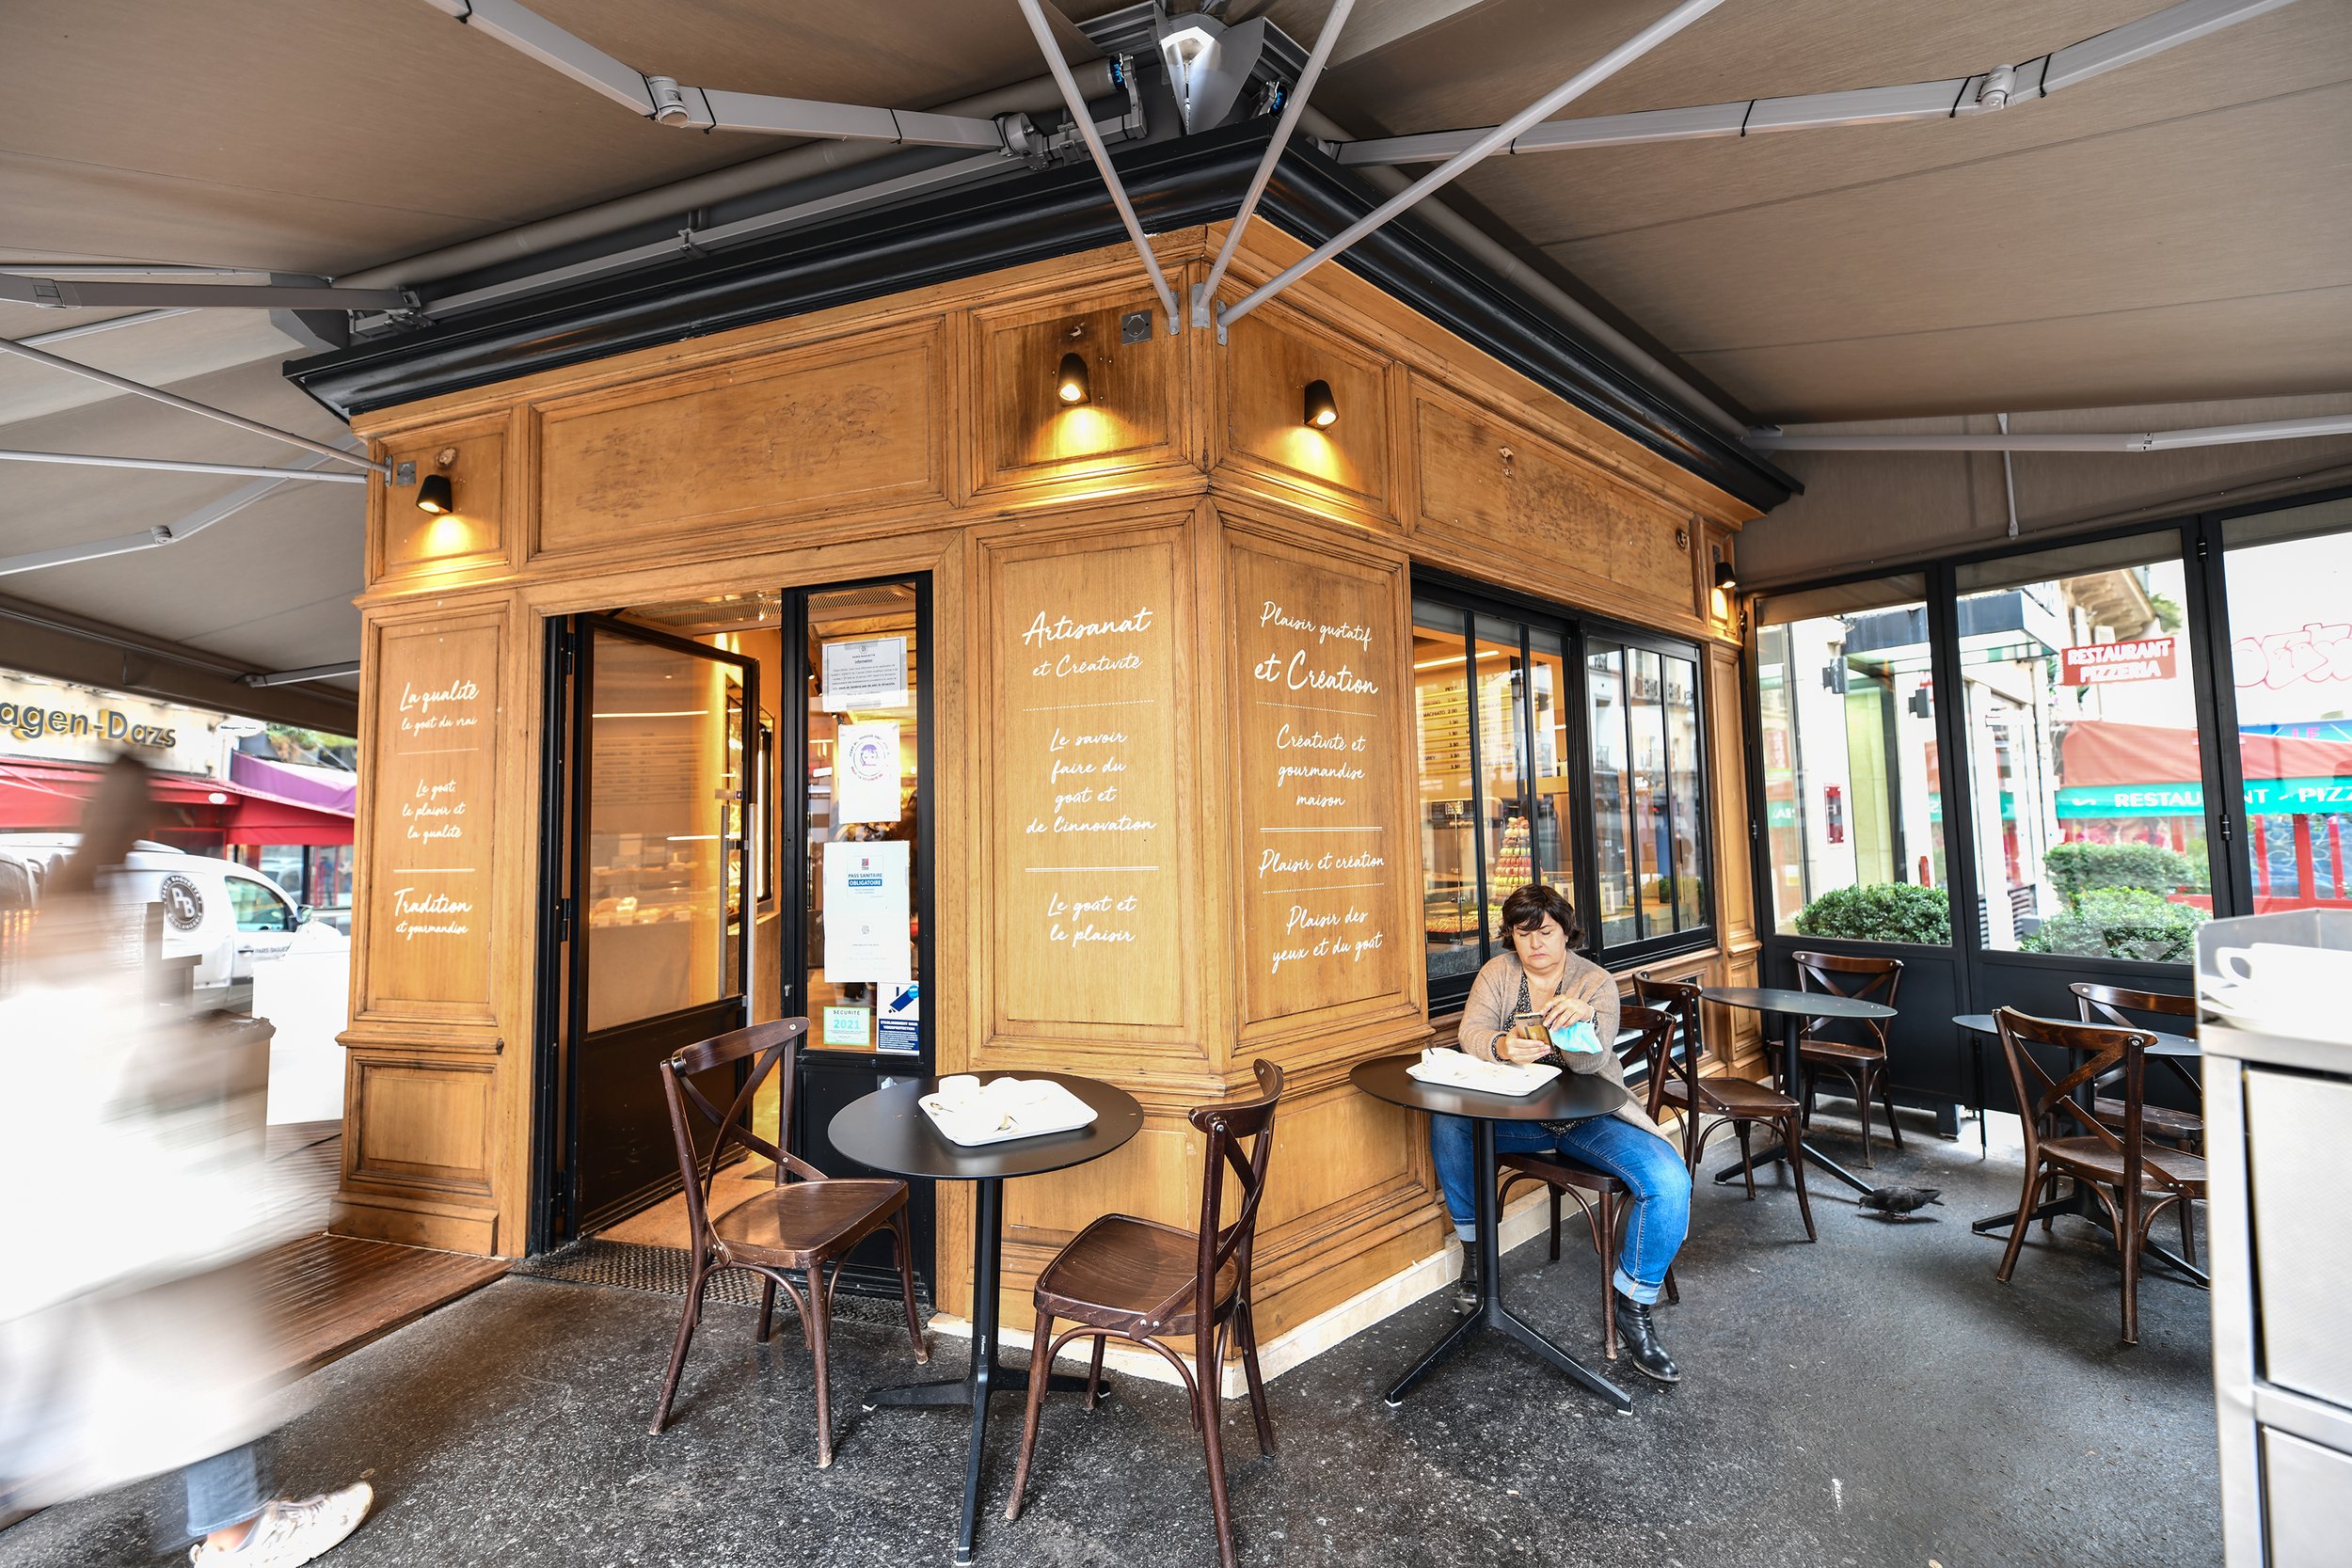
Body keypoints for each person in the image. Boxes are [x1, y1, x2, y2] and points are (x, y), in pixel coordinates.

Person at [0, 756, 373, 1563]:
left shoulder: (58, 892)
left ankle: (236, 1522)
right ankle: (240, 1530)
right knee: (206, 1364)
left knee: (62, 1386)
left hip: (54, 1203)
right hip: (115, 1202)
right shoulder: (76, 906)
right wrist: (196, 1056)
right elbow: (116, 1051)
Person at [1428, 881, 1692, 1382]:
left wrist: (1583, 1020)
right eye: (1523, 933)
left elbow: (1590, 1063)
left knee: (1669, 1181)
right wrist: (1502, 1046)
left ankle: (1634, 1307)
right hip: (1519, 1120)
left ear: (1566, 932)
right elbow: (1470, 1032)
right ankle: (1477, 1257)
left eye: (1546, 931)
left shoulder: (1594, 982)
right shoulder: (1498, 973)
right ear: (1510, 936)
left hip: (1590, 1121)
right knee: (1449, 1122)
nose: (1535, 943)